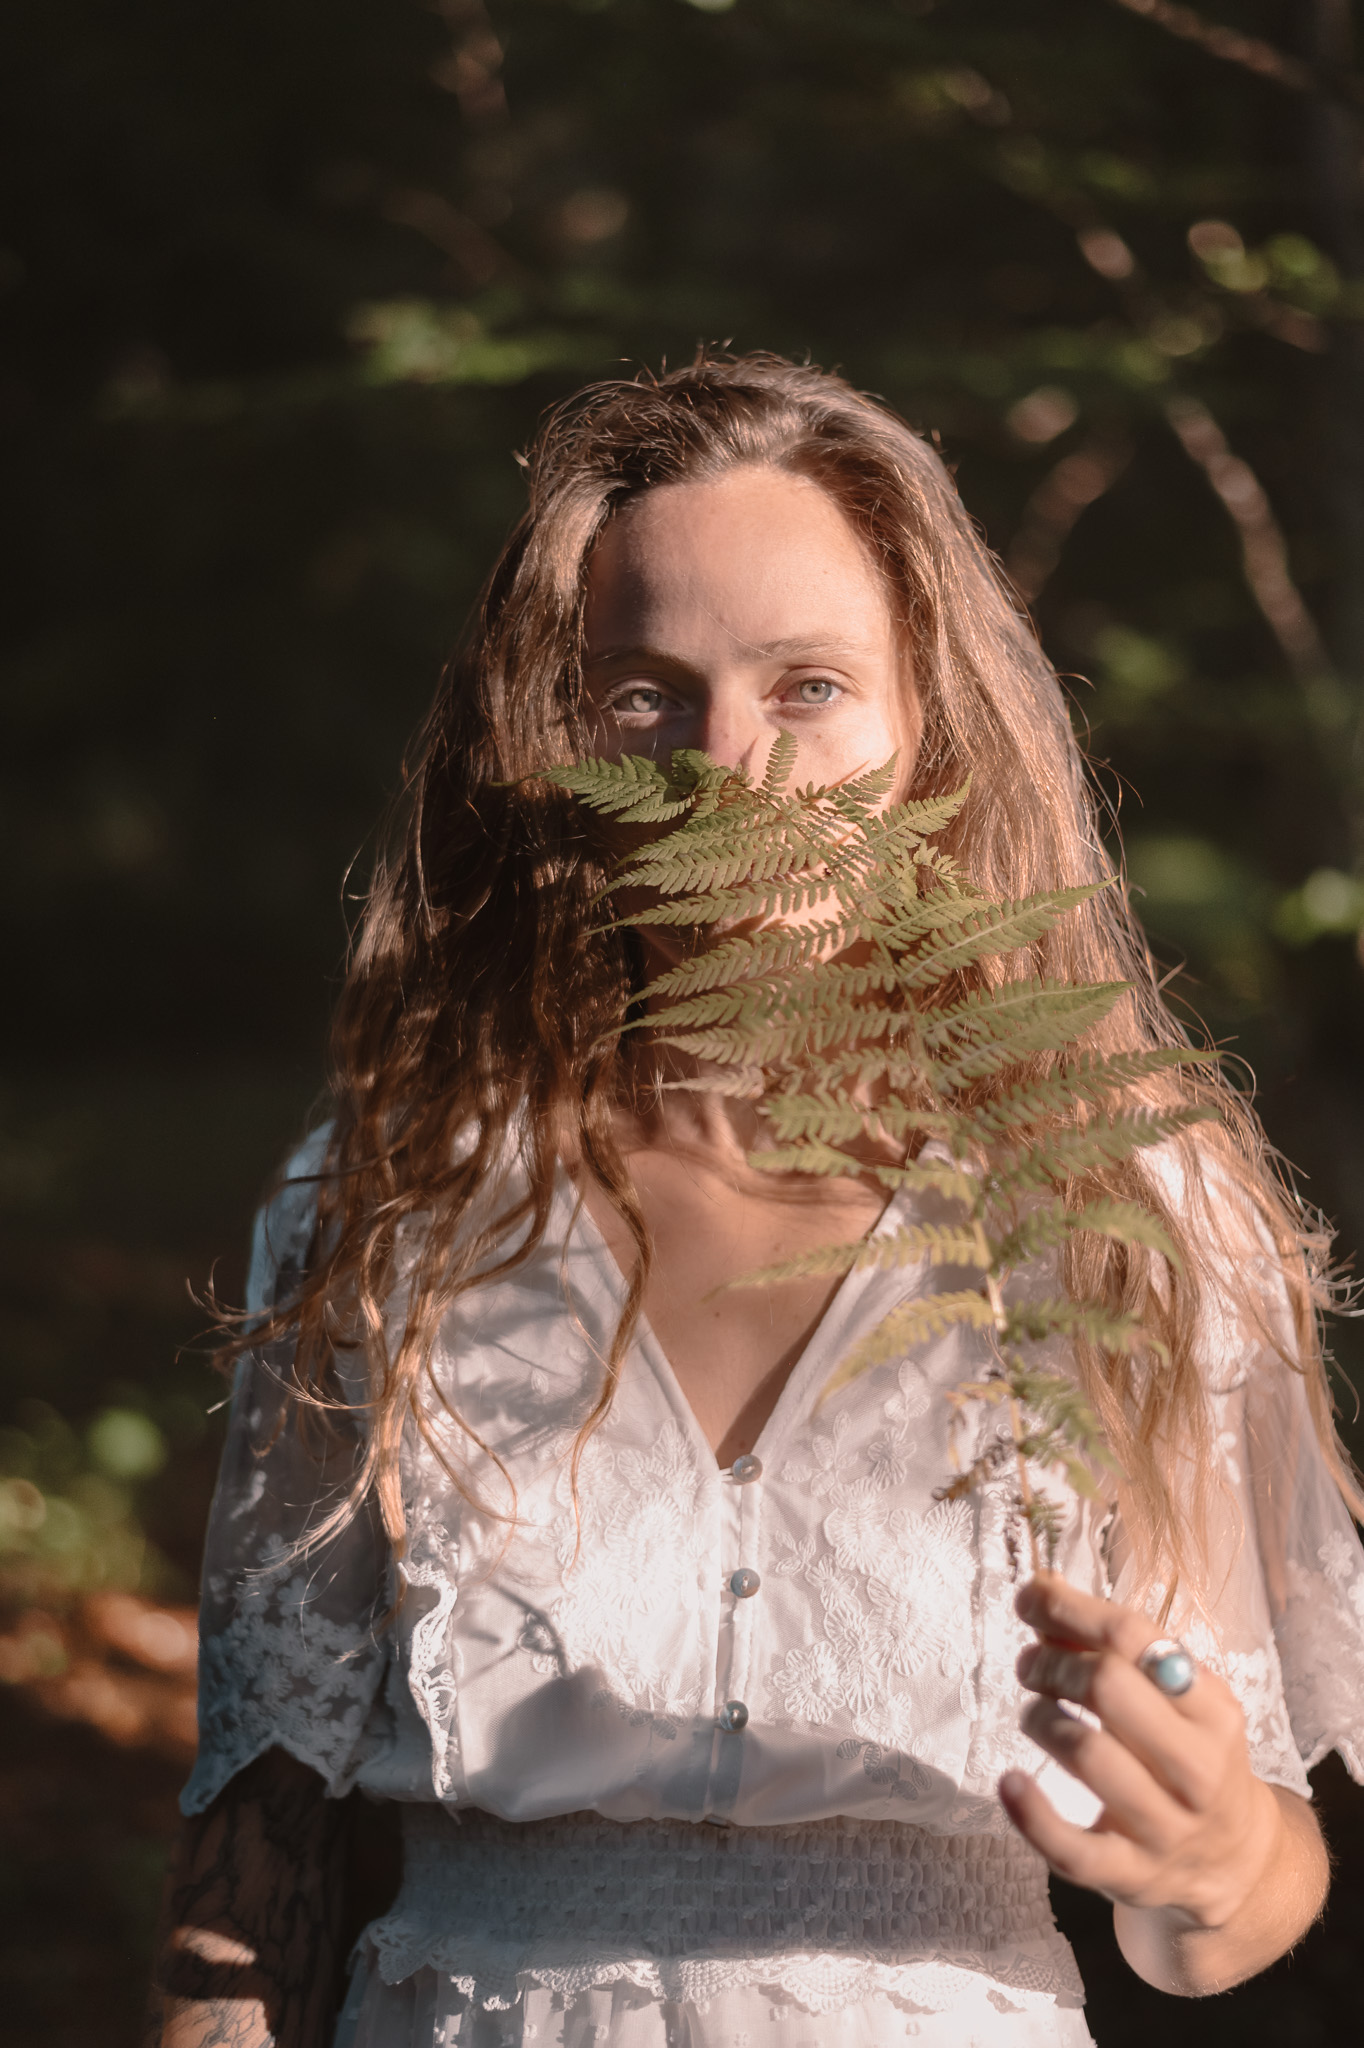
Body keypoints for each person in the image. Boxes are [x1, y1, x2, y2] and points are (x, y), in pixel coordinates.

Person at [147, 353, 1364, 2048]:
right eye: (645, 697)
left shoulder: (1117, 1210)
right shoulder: (399, 1192)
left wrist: (1216, 1855)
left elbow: (1234, 1903)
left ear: (928, 722)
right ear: (552, 743)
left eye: (808, 688)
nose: (733, 772)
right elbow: (253, 1850)